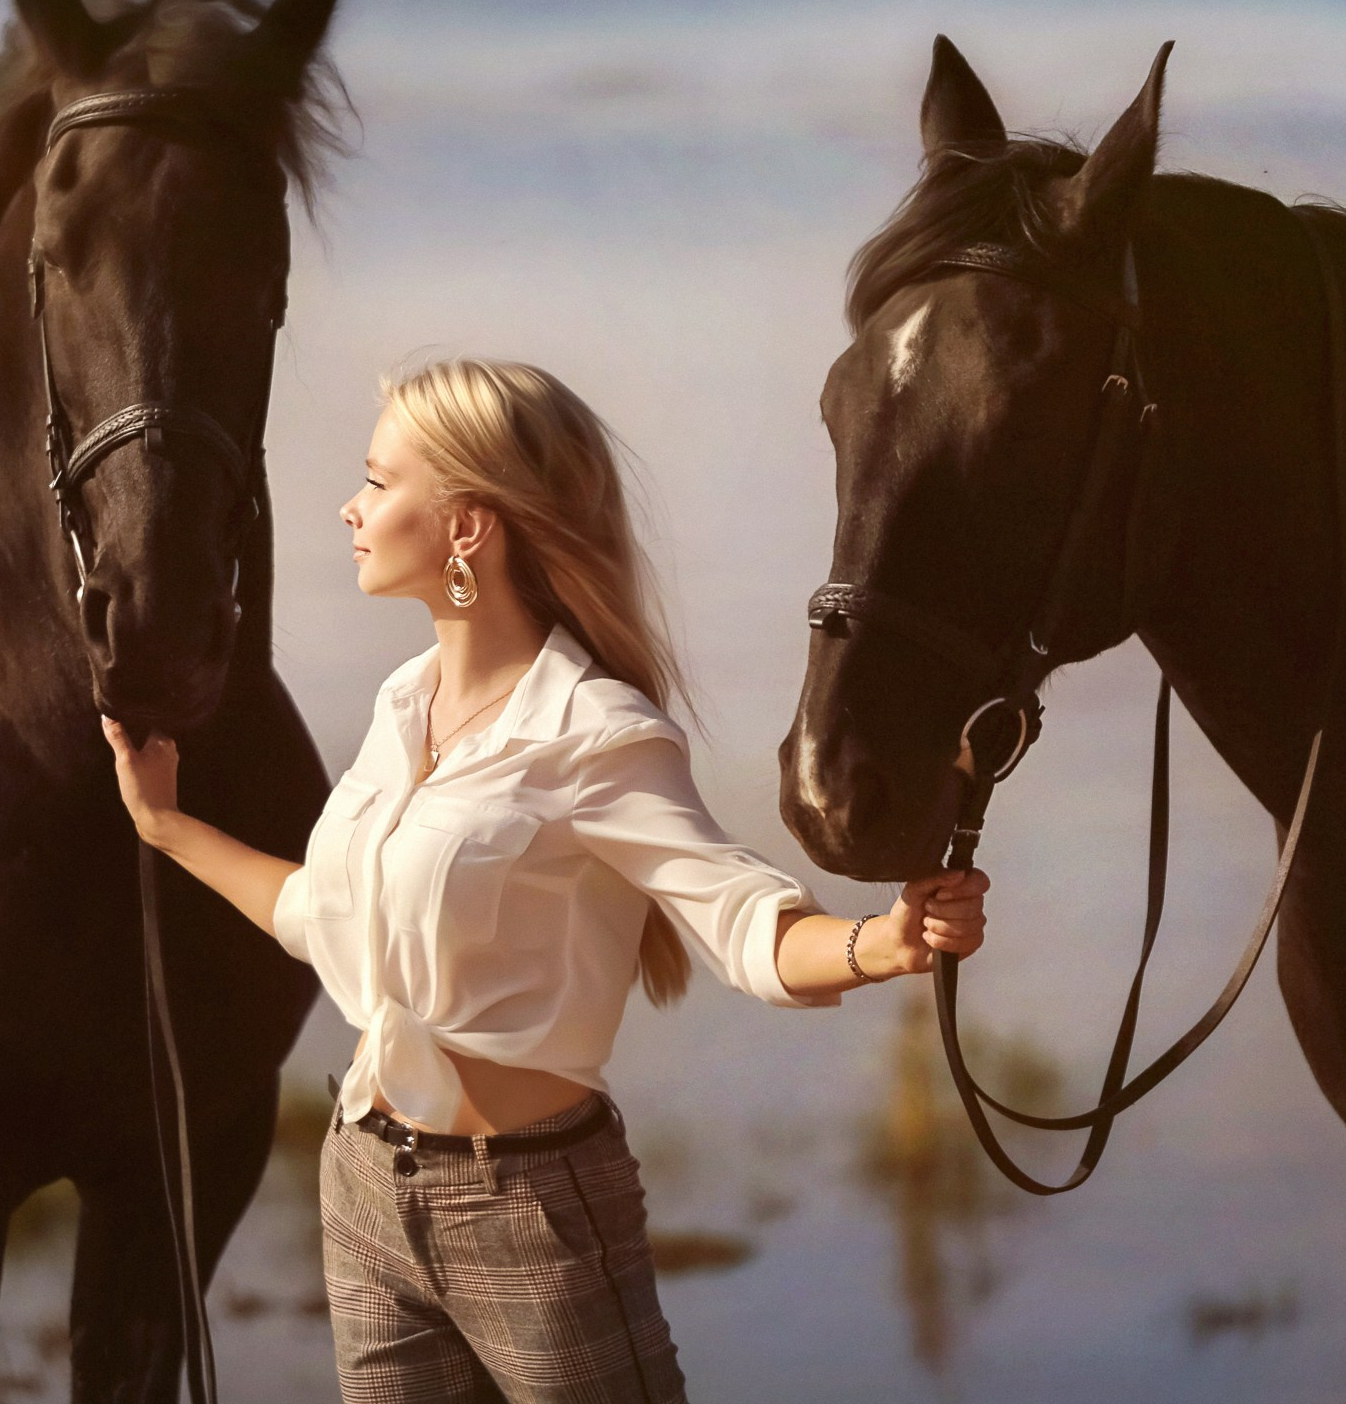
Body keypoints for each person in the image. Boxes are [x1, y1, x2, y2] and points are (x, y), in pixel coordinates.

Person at [102, 356, 988, 1404]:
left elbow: (745, 925)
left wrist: (883, 942)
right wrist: (166, 828)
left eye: (378, 481)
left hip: (528, 1211)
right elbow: (321, 914)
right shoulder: (404, 704)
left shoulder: (595, 733)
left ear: (467, 526)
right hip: (364, 1188)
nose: (351, 507)